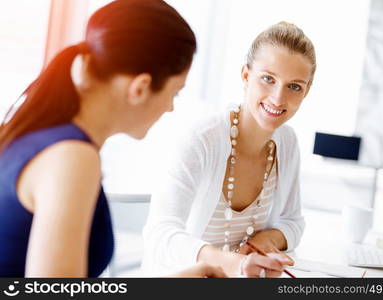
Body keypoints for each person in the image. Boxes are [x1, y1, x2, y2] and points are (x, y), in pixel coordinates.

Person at [0, 0, 225, 278]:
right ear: (140, 87)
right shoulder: (72, 157)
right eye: (174, 92)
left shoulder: (38, 135)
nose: (170, 107)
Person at [142, 21, 316, 277]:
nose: (278, 98)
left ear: (306, 91)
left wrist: (270, 238)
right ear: (246, 75)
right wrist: (231, 263)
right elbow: (160, 232)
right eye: (268, 79)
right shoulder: (203, 139)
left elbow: (293, 221)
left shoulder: (287, 143)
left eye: (294, 86)